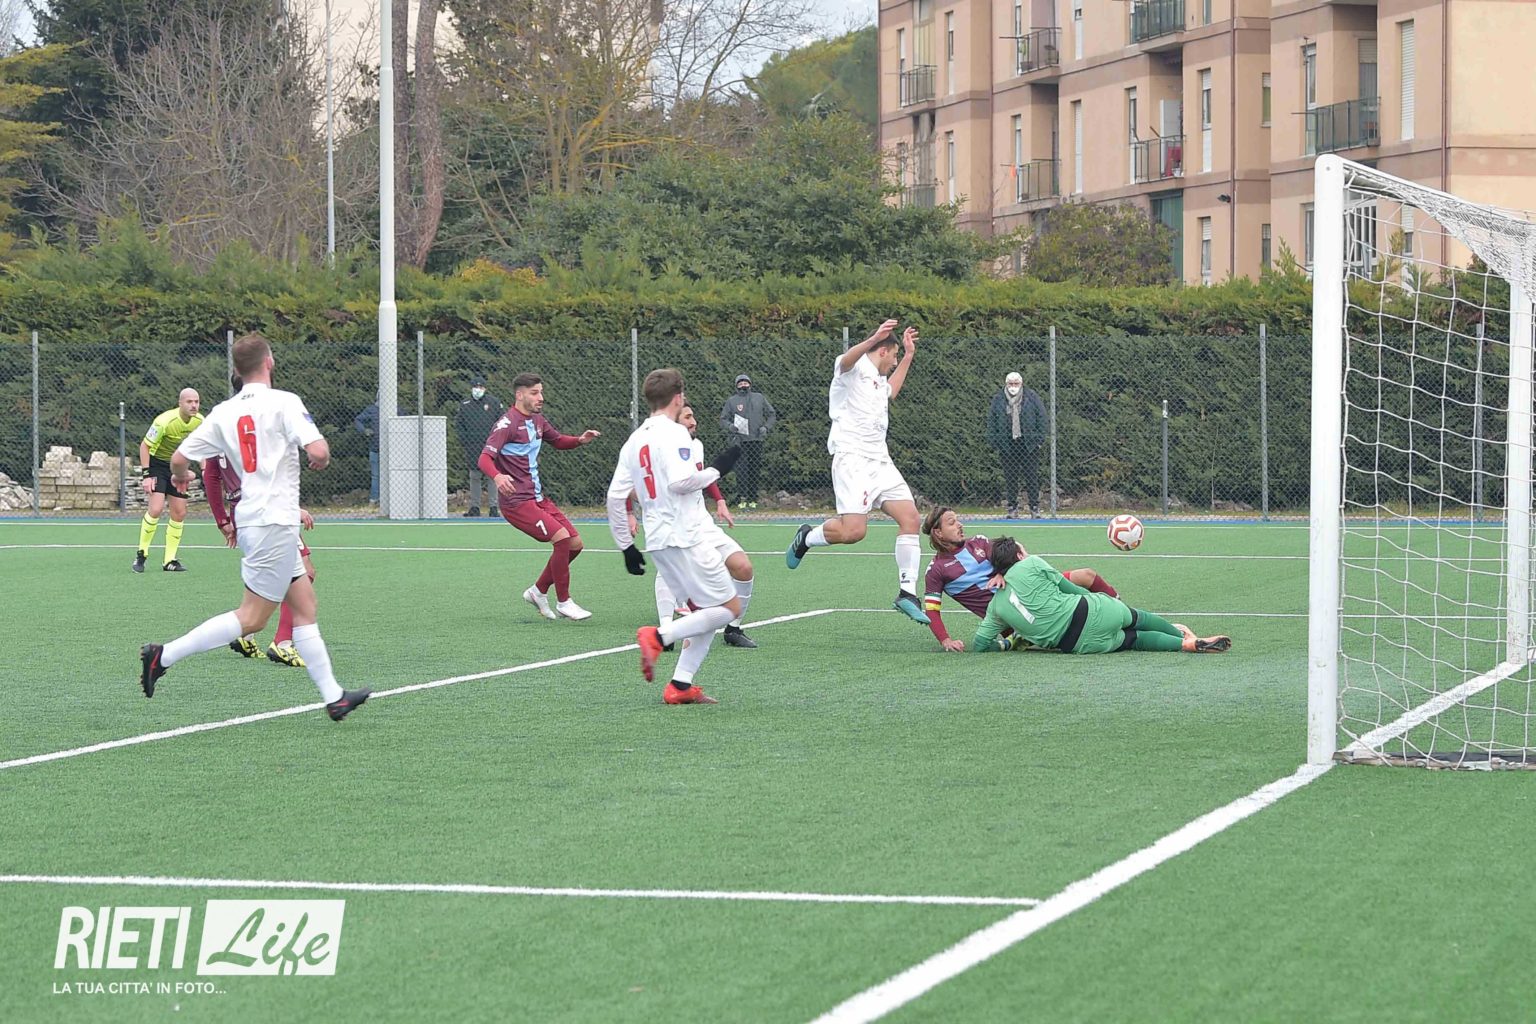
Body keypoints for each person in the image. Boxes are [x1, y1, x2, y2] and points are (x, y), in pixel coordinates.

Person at [138, 332, 370, 721]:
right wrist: (319, 459)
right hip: (273, 521)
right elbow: (319, 451)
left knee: (305, 605)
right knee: (252, 618)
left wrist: (179, 478)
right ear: (270, 362)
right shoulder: (285, 402)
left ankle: (335, 698)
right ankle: (163, 656)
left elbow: (179, 459)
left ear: (236, 369)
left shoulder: (222, 412)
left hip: (257, 519)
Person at [607, 368, 744, 704]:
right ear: (678, 397)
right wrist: (718, 469)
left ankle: (680, 686)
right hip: (686, 535)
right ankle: (658, 636)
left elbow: (614, 496)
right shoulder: (675, 433)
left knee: (703, 613)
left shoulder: (634, 440)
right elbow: (681, 483)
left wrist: (626, 546)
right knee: (729, 608)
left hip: (657, 540)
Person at [786, 318, 928, 624]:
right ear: (882, 350)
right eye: (893, 356)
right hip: (853, 459)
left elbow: (891, 391)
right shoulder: (852, 368)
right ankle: (807, 537)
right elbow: (846, 359)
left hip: (880, 460)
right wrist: (873, 338)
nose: (893, 362)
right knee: (853, 532)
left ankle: (907, 593)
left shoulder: (877, 378)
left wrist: (908, 355)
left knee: (911, 519)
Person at [205, 372, 317, 668]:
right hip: (266, 511)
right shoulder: (258, 419)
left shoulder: (221, 420)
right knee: (303, 572)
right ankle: (283, 643)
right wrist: (293, 509)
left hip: (240, 511)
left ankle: (247, 636)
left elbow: (211, 476)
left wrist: (222, 520)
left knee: (270, 575)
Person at [971, 536, 1231, 655]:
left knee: (1135, 640)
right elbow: (1071, 589)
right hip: (1089, 610)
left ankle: (1184, 646)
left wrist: (1005, 645)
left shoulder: (995, 606)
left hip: (1077, 645)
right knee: (1139, 619)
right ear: (1019, 555)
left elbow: (980, 644)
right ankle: (1184, 637)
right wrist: (1101, 603)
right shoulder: (1031, 562)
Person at [479, 372, 602, 621]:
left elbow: (557, 440)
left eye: (541, 392)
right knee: (562, 539)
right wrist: (498, 477)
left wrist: (579, 440)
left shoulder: (537, 421)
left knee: (575, 544)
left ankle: (538, 591)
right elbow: (484, 458)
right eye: (535, 393)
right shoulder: (507, 424)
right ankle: (564, 602)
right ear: (519, 395)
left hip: (537, 498)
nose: (540, 397)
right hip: (516, 502)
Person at [921, 506, 1118, 652]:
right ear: (938, 532)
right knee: (1057, 632)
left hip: (1030, 588)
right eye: (952, 522)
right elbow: (931, 610)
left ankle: (1118, 605)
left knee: (1086, 575)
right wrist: (946, 640)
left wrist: (1001, 572)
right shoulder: (936, 570)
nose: (960, 525)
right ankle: (1015, 640)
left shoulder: (978, 542)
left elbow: (1013, 548)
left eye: (958, 520)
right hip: (1013, 614)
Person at [639, 403, 757, 648]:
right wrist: (720, 469)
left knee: (743, 567)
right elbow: (678, 484)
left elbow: (700, 476)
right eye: (688, 417)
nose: (694, 422)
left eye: (693, 416)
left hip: (701, 522)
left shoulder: (696, 445)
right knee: (670, 569)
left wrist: (720, 500)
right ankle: (666, 629)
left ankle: (733, 629)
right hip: (673, 523)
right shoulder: (658, 449)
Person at [132, 388, 203, 573]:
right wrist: (146, 476)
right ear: (180, 403)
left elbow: (202, 448)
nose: (194, 405)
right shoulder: (164, 421)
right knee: (155, 509)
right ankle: (141, 554)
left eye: (196, 401)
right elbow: (145, 447)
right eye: (189, 402)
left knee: (179, 513)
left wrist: (205, 470)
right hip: (157, 465)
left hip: (178, 467)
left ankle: (169, 560)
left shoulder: (200, 421)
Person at [986, 370, 1047, 518]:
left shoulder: (1031, 397)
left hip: (1028, 444)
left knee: (1031, 476)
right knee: (1010, 477)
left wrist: (1039, 440)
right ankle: (1012, 508)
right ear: (1006, 384)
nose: (1013, 386)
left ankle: (1034, 508)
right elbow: (992, 420)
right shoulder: (999, 399)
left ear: (1021, 383)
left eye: (1016, 383)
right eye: (1011, 383)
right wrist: (996, 442)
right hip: (1007, 445)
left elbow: (1042, 417)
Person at [718, 374, 776, 509]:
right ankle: (742, 498)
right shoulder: (732, 401)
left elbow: (771, 414)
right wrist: (730, 426)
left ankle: (753, 499)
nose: (743, 385)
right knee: (741, 470)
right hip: (740, 441)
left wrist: (766, 427)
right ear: (736, 386)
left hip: (756, 440)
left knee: (754, 470)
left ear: (750, 384)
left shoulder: (759, 397)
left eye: (745, 383)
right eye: (740, 383)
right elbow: (723, 419)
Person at [454, 376, 504, 517]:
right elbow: (459, 425)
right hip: (473, 446)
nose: (478, 389)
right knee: (474, 476)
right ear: (471, 388)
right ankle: (474, 507)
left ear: (485, 388)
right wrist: (465, 441)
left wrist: (497, 441)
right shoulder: (465, 405)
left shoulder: (494, 403)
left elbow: (502, 423)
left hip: (490, 447)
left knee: (492, 476)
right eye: (476, 387)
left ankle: (493, 507)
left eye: (481, 387)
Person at [353, 400, 379, 503]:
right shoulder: (372, 410)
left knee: (395, 474)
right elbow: (358, 420)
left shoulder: (397, 409)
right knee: (376, 476)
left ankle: (393, 499)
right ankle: (374, 499)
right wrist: (364, 430)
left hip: (394, 450)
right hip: (375, 448)